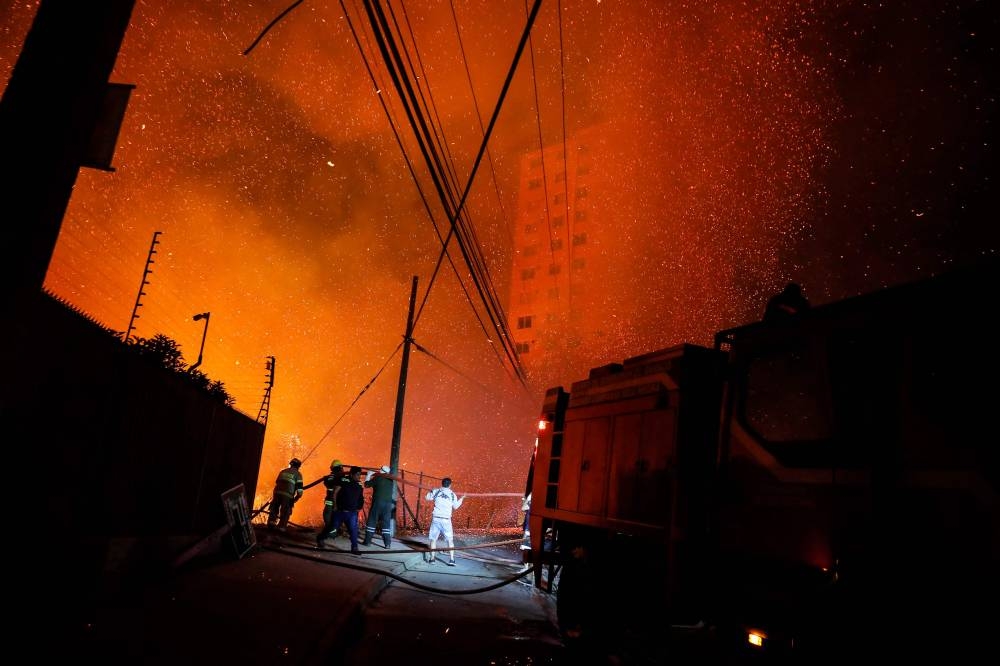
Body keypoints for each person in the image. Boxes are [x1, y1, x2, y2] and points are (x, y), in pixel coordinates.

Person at [321, 466, 364, 554]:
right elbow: (335, 492)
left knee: (353, 530)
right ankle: (321, 538)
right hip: (340, 511)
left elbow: (360, 498)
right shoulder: (343, 480)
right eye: (357, 475)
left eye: (360, 475)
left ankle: (354, 548)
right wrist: (335, 506)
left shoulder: (359, 485)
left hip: (352, 513)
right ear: (352, 474)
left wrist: (359, 507)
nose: (359, 477)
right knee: (332, 528)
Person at [425, 477, 465, 566]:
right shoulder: (452, 494)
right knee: (450, 540)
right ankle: (451, 560)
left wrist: (431, 491)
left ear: (442, 483)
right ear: (450, 485)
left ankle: (432, 559)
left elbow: (427, 497)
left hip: (436, 519)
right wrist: (462, 498)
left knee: (433, 539)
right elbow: (456, 506)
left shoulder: (436, 491)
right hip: (446, 520)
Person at [313, 459, 345, 547]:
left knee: (328, 519)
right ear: (340, 468)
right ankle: (330, 534)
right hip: (335, 503)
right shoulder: (340, 477)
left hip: (328, 503)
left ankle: (331, 532)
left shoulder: (329, 478)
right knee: (333, 521)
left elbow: (328, 483)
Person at [363, 465, 396, 548]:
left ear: (381, 470)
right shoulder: (390, 480)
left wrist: (369, 475)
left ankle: (367, 542)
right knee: (386, 524)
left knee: (372, 521)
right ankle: (387, 544)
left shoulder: (377, 478)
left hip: (378, 503)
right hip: (388, 505)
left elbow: (366, 485)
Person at [267, 457, 304, 531]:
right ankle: (281, 527)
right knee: (286, 511)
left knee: (274, 508)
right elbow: (300, 491)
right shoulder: (298, 474)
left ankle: (271, 523)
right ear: (298, 466)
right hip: (288, 495)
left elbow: (277, 482)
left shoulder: (283, 471)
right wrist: (295, 498)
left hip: (277, 493)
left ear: (290, 464)